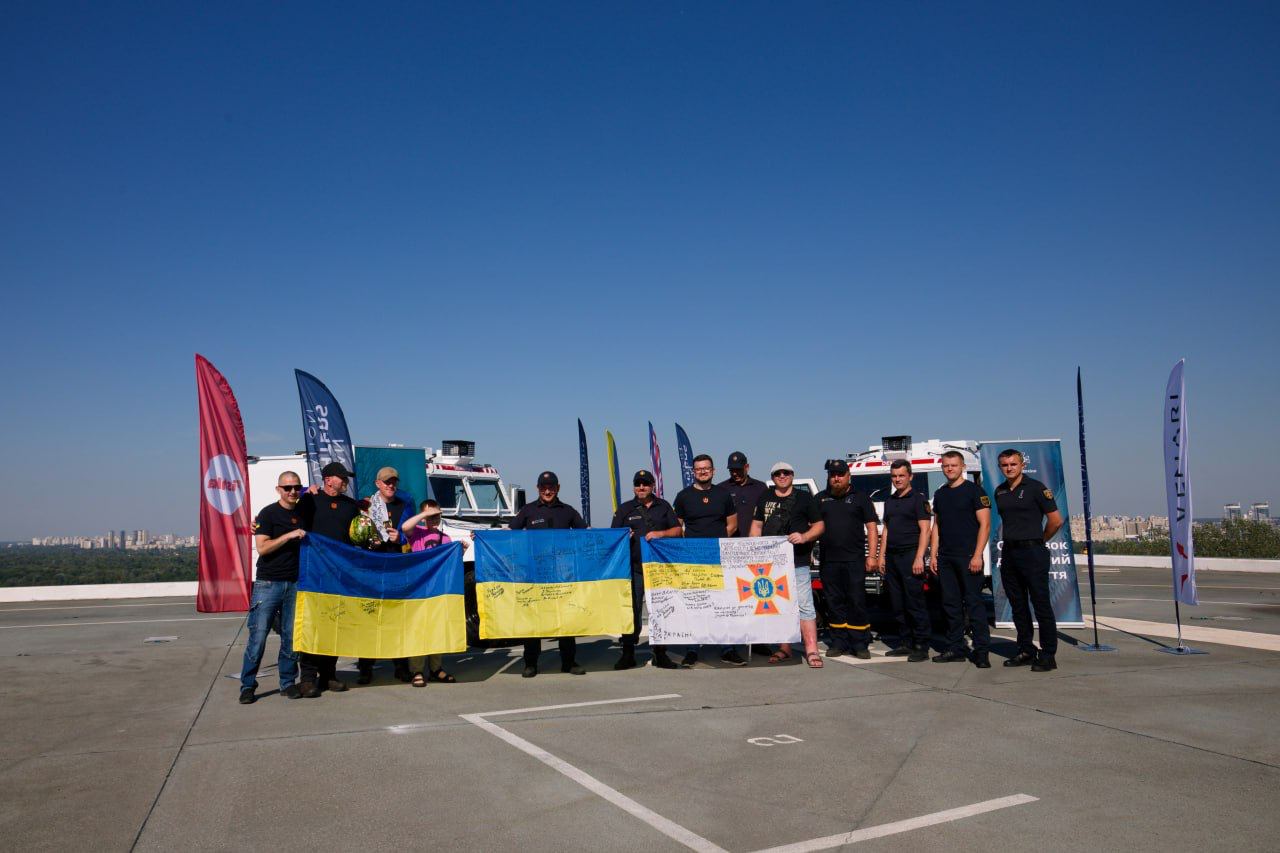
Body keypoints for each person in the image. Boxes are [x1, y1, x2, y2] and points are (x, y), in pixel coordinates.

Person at [510, 471, 588, 678]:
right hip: (535, 575)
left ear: (558, 488)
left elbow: (586, 534)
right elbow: (509, 535)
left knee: (566, 618)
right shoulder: (528, 511)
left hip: (563, 575)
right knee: (533, 620)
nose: (547, 491)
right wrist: (482, 537)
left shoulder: (568, 511)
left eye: (551, 487)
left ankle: (569, 662)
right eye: (543, 487)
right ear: (538, 488)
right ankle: (531, 663)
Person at [993, 449, 1064, 672]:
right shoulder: (1000, 491)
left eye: (1013, 464)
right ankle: (1025, 649)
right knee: (1018, 605)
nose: (1009, 468)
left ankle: (1048, 654)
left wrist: (1039, 539)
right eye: (1004, 465)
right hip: (1010, 553)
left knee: (1041, 604)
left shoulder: (1036, 488)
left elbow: (1055, 521)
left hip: (1033, 552)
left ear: (1022, 465)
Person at [239, 471, 306, 703]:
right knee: (258, 637)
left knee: (291, 637)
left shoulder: (303, 512)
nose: (292, 492)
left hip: (295, 583)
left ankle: (287, 682)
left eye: (296, 487)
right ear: (278, 489)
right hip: (268, 583)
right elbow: (263, 548)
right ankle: (247, 685)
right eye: (287, 488)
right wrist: (289, 536)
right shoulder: (268, 514)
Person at [751, 462, 825, 668]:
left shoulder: (804, 498)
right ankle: (785, 647)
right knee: (779, 606)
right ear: (772, 477)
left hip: (798, 561)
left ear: (792, 475)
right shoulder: (765, 497)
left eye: (786, 473)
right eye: (777, 473)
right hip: (770, 564)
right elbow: (756, 526)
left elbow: (819, 525)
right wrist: (752, 551)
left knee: (805, 606)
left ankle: (812, 649)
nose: (782, 476)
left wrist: (805, 536)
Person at [296, 461, 361, 694]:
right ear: (328, 480)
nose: (345, 482)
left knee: (335, 625)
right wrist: (304, 492)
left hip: (340, 575)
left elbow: (356, 537)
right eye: (342, 478)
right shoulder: (310, 500)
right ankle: (307, 678)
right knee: (313, 626)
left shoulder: (351, 506)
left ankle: (328, 675)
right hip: (314, 574)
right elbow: (292, 516)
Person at [672, 454, 742, 667]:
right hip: (693, 561)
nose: (703, 472)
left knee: (721, 605)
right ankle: (693, 648)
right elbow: (677, 526)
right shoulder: (683, 496)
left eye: (706, 468)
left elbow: (732, 525)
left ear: (713, 470)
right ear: (693, 472)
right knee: (696, 606)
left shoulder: (723, 495)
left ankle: (726, 648)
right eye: (698, 469)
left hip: (719, 558)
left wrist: (714, 546)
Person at [611, 470, 683, 670]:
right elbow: (612, 538)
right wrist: (624, 536)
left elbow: (678, 531)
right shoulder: (625, 509)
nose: (641, 487)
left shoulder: (664, 506)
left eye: (645, 483)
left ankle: (661, 653)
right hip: (633, 569)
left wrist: (661, 533)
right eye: (637, 484)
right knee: (631, 610)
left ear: (653, 486)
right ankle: (628, 653)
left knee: (661, 610)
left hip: (659, 570)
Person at [929, 451, 993, 668]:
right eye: (946, 465)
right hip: (946, 558)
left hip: (968, 558)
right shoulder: (940, 494)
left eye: (953, 465)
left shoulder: (975, 492)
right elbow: (936, 526)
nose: (949, 469)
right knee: (950, 606)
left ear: (962, 466)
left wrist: (977, 555)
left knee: (974, 605)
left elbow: (985, 525)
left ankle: (982, 651)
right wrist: (934, 554)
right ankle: (955, 648)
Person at [357, 467, 416, 685]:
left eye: (393, 482)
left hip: (395, 567)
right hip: (372, 568)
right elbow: (354, 531)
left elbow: (411, 535)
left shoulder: (404, 505)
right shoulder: (366, 505)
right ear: (377, 484)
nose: (391, 485)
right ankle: (365, 667)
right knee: (370, 618)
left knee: (397, 619)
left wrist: (399, 538)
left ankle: (401, 667)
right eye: (386, 482)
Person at [815, 459, 880, 660]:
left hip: (854, 561)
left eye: (840, 474)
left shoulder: (861, 498)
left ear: (848, 476)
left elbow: (871, 527)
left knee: (856, 601)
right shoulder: (819, 499)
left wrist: (872, 556)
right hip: (829, 561)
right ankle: (838, 642)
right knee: (834, 602)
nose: (836, 478)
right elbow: (812, 527)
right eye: (833, 474)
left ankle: (859, 643)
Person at [400, 499, 470, 686]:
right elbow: (405, 527)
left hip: (437, 589)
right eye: (430, 516)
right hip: (419, 587)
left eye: (436, 516)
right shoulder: (417, 533)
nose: (433, 520)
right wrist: (425, 514)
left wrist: (460, 552)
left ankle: (435, 668)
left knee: (436, 628)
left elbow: (448, 565)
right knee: (418, 628)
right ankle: (416, 670)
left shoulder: (445, 538)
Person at [877, 460, 932, 662]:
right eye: (894, 476)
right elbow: (887, 530)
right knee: (897, 603)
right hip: (892, 556)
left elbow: (925, 530)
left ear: (910, 476)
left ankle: (921, 645)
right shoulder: (890, 500)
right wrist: (881, 555)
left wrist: (919, 557)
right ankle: (905, 642)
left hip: (911, 555)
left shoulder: (918, 500)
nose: (897, 479)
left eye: (901, 475)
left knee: (914, 602)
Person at [718, 451, 771, 658]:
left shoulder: (760, 488)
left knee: (754, 598)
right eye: (732, 470)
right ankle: (731, 641)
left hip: (754, 551)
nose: (736, 474)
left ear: (747, 467)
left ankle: (756, 640)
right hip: (730, 551)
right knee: (731, 598)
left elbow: (768, 517)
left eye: (739, 470)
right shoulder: (721, 489)